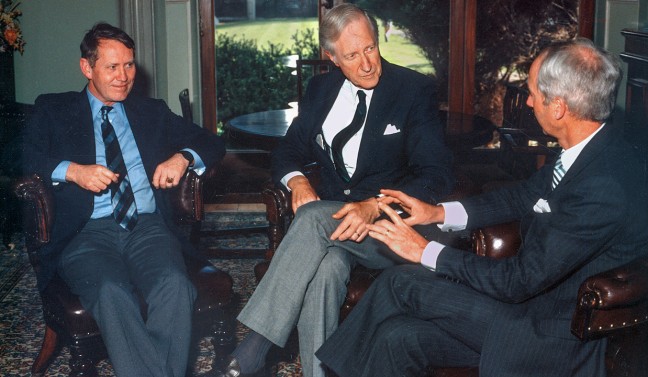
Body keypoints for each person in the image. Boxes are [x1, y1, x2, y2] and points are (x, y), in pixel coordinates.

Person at [315, 38, 648, 377]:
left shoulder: (603, 185)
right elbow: (519, 197)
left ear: (559, 107)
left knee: (402, 282)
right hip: (529, 308)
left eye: (533, 92)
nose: (530, 100)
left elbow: (520, 280)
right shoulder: (589, 150)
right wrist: (438, 213)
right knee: (397, 337)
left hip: (549, 332)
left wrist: (424, 250)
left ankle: (328, 372)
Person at [222, 4, 453, 377]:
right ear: (331, 58)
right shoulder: (320, 89)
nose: (366, 64)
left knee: (313, 218)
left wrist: (374, 206)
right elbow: (288, 149)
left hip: (388, 232)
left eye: (370, 49)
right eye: (351, 55)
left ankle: (255, 347)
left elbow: (436, 175)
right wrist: (297, 180)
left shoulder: (413, 90)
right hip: (335, 235)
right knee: (326, 270)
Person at [22, 23, 225, 377]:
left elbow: (211, 141)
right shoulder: (54, 110)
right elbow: (14, 153)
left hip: (146, 226)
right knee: (111, 291)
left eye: (129, 65)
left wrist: (183, 157)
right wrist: (72, 171)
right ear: (87, 68)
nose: (123, 77)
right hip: (85, 232)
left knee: (175, 287)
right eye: (112, 67)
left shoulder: (150, 111)